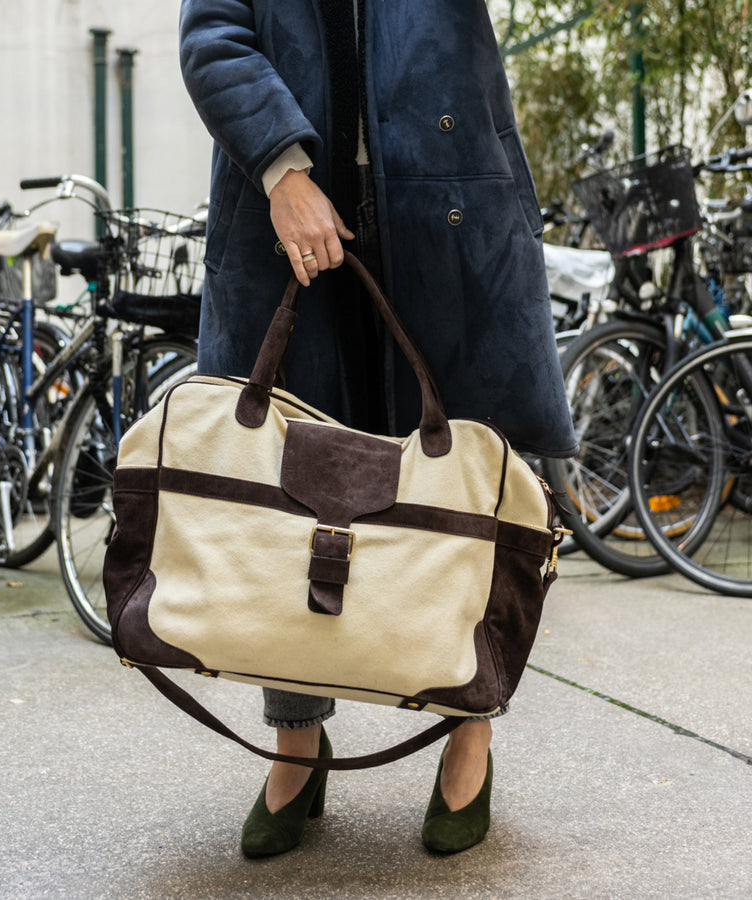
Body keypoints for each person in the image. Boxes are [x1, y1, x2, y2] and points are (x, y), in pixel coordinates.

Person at [179, 0, 577, 857]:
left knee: (471, 484)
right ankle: (296, 748)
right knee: (285, 494)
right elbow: (211, 35)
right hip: (284, 213)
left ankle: (470, 732)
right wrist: (283, 173)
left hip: (452, 209)